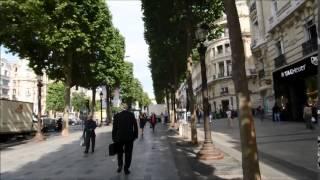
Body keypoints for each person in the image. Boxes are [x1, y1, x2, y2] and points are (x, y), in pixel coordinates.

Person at [112, 104, 138, 175]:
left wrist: (114, 137)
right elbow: (135, 126)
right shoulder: (131, 115)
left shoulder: (117, 116)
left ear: (121, 108)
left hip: (119, 137)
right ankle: (126, 168)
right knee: (128, 153)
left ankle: (120, 165)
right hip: (129, 137)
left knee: (119, 153)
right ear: (127, 108)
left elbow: (114, 128)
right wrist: (135, 135)